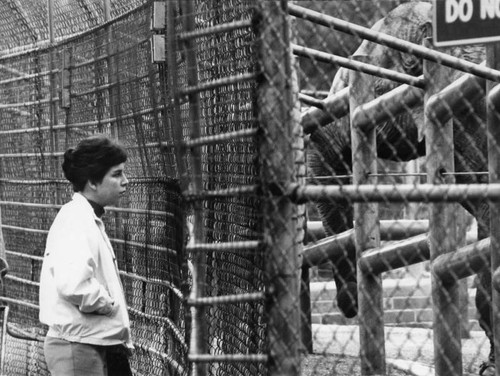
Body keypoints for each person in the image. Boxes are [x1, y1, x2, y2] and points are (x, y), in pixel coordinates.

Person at [39, 134, 134, 376]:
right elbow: (73, 284)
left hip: (88, 342)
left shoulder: (86, 217)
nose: (125, 181)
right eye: (117, 174)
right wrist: (108, 304)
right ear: (92, 180)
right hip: (77, 346)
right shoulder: (75, 219)